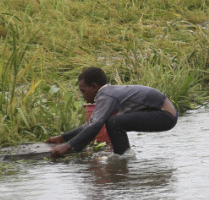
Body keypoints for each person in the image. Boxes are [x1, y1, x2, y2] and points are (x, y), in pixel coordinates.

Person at [46, 67, 177, 158]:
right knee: (113, 122)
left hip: (164, 114)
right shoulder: (107, 94)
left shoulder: (106, 96)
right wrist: (64, 137)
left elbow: (95, 125)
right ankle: (123, 156)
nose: (82, 96)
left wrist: (68, 146)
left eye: (83, 91)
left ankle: (122, 159)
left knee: (114, 122)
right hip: (163, 113)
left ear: (94, 86)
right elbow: (92, 123)